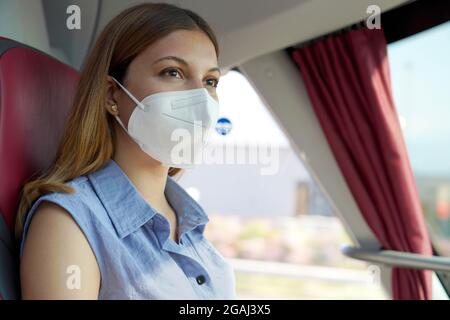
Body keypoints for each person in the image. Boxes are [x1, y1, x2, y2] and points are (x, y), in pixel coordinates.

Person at [16, 2, 236, 300]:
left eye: (210, 81)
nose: (199, 96)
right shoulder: (68, 222)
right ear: (112, 95)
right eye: (173, 72)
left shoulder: (188, 222)